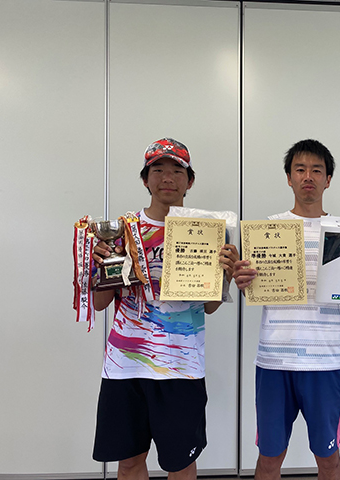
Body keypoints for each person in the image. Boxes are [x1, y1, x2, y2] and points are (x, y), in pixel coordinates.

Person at [91, 138, 238, 480]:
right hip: (125, 366)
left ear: (190, 181)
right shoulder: (123, 231)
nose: (167, 178)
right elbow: (99, 304)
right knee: (129, 463)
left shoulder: (208, 232)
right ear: (145, 179)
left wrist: (225, 274)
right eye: (158, 170)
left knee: (180, 464)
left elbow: (210, 307)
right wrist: (102, 268)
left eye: (177, 170)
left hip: (181, 367)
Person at [233, 139, 340, 480]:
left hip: (326, 361)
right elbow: (253, 289)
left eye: (317, 170)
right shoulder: (268, 230)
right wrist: (243, 280)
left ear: (328, 179)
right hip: (274, 360)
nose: (308, 176)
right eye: (300, 169)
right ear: (289, 178)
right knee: (269, 458)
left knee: (329, 457)